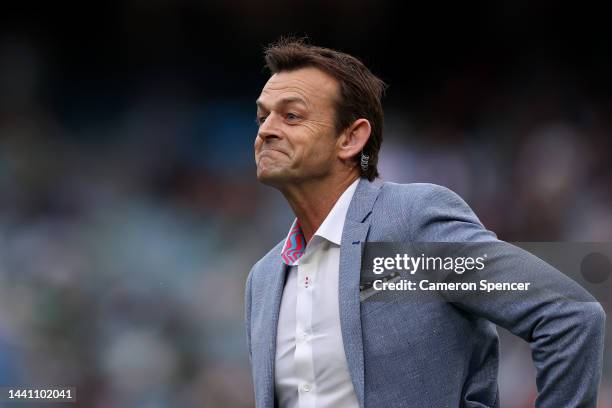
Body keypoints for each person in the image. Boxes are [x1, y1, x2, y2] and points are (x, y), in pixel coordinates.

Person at [244, 37, 606, 408]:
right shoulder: (264, 279)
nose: (266, 130)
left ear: (351, 138)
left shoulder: (412, 224)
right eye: (262, 116)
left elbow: (569, 315)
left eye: (291, 115)